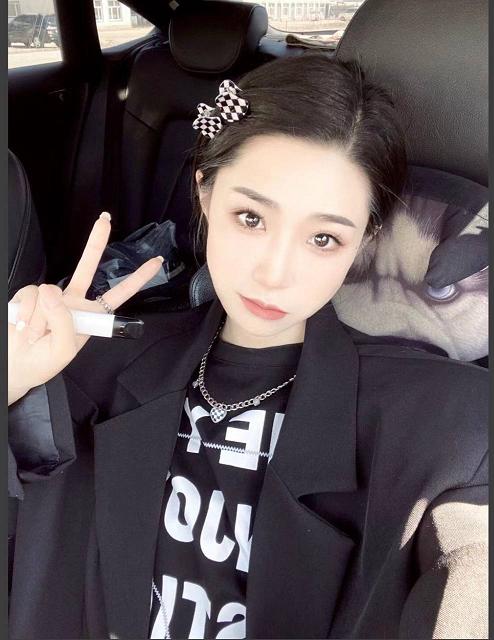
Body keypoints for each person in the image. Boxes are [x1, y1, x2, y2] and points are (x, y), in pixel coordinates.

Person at [8, 53, 487, 640]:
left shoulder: (444, 419)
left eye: (323, 238)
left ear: (364, 240)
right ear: (205, 194)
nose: (274, 274)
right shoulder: (90, 364)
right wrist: (14, 377)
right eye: (251, 218)